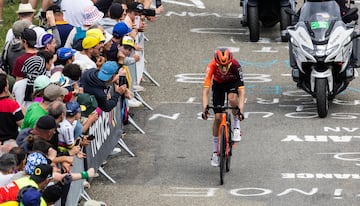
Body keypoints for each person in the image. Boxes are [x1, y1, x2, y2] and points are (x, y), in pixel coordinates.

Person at [201, 48, 245, 167]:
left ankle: (236, 127)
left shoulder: (236, 66)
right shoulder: (211, 66)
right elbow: (206, 91)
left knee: (232, 98)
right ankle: (215, 152)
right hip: (218, 85)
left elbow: (241, 92)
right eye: (221, 66)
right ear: (217, 63)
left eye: (226, 66)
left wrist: (240, 111)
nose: (224, 69)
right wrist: (204, 109)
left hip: (232, 83)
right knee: (218, 118)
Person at [0, 73, 24, 144]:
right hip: (11, 142)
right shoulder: (12, 105)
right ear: (5, 88)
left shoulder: (17, 85)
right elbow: (22, 125)